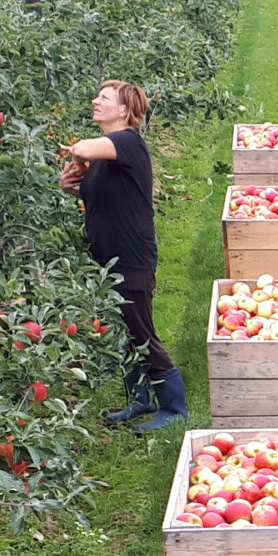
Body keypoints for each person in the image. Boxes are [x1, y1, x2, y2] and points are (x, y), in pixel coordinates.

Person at [61, 80, 183, 430]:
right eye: (96, 94)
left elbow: (81, 147)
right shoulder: (108, 155)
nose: (95, 101)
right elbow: (106, 193)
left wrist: (77, 154)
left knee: (141, 331)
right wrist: (72, 187)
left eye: (104, 98)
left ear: (125, 110)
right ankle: (140, 399)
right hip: (108, 258)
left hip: (130, 258)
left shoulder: (127, 141)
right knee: (125, 330)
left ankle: (176, 408)